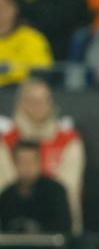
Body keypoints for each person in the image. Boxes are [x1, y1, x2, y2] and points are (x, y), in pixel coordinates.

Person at [0, 78, 85, 234]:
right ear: (21, 103)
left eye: (44, 99)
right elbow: (6, 188)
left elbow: (69, 191)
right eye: (33, 100)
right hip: (13, 226)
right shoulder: (5, 142)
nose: (39, 106)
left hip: (57, 224)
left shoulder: (68, 141)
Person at [0, 141, 70, 234]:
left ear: (40, 162)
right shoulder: (6, 196)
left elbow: (64, 229)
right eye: (22, 162)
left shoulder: (56, 192)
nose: (27, 167)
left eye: (31, 161)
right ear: (14, 163)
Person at [0, 0, 52, 88]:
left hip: (21, 94)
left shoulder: (32, 38)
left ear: (14, 9)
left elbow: (41, 72)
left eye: (3, 7)